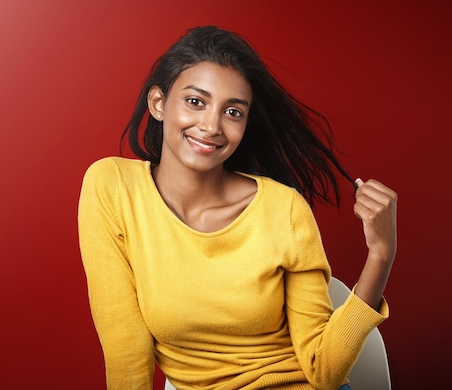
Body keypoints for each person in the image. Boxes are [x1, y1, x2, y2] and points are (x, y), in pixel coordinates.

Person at [78, 25, 397, 390]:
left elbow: (323, 371)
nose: (211, 126)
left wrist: (381, 254)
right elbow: (125, 348)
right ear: (159, 104)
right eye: (195, 102)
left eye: (232, 112)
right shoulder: (113, 188)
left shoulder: (284, 209)